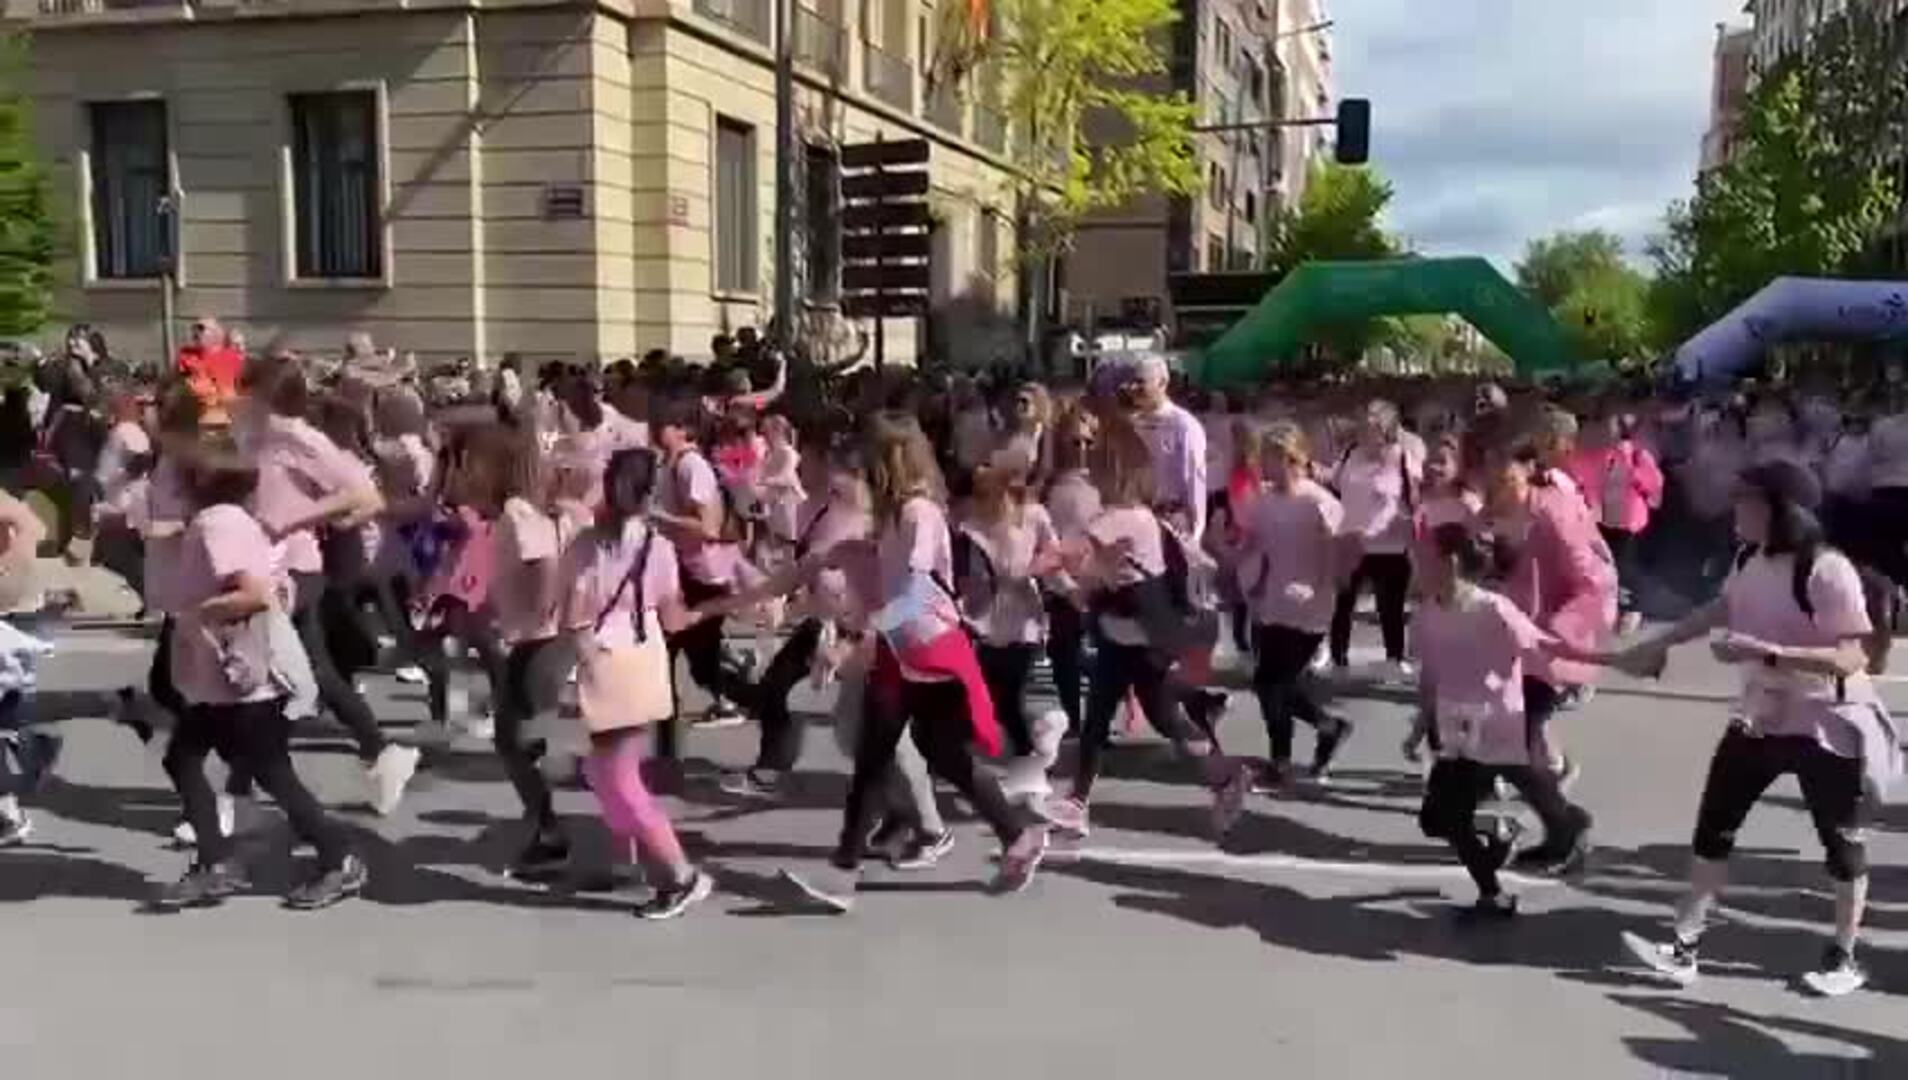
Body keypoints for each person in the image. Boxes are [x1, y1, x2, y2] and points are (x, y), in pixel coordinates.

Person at [1616, 460, 1902, 998]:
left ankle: (1843, 954)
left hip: (1827, 723)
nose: (1735, 509)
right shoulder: (1750, 559)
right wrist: (1662, 643)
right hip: (1762, 717)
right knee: (1714, 829)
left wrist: (1766, 653)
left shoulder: (1826, 569)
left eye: (1746, 499)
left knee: (1841, 845)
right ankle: (1684, 946)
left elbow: (1850, 656)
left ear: (1779, 509)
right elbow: (1723, 608)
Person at [780, 412, 1048, 912]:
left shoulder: (919, 513)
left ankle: (1012, 836)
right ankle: (849, 873)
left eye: (871, 456)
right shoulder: (896, 513)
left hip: (928, 647)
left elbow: (917, 589)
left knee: (917, 755)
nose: (861, 465)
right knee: (895, 755)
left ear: (891, 458)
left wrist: (860, 636)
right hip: (902, 648)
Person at [152, 439, 365, 911]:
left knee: (270, 772)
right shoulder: (229, 520)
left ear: (197, 484)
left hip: (240, 681)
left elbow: (252, 594)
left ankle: (339, 855)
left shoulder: (218, 525)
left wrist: (193, 613)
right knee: (185, 759)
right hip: (223, 681)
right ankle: (216, 861)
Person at [1042, 414, 1241, 840]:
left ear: (1117, 471)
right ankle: (1077, 803)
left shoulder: (1123, 517)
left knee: (1165, 719)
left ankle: (1226, 778)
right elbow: (1095, 567)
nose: (1089, 469)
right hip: (1125, 635)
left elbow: (1062, 556)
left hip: (1142, 639)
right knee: (1098, 720)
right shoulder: (1137, 517)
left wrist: (1037, 554)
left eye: (1096, 462)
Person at [238, 356, 421, 816]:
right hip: (266, 565)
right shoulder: (255, 434)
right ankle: (380, 752)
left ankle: (238, 786)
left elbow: (364, 496)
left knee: (262, 669)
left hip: (294, 570)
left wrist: (296, 519)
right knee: (306, 672)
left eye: (250, 391)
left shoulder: (302, 438)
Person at [1414, 522, 1621, 923]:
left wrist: (1619, 661)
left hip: (1496, 726)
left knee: (1456, 815)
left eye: (1424, 556)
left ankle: (1495, 892)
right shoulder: (1428, 613)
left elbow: (1547, 646)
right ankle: (1512, 834)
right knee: (1436, 820)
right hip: (1456, 732)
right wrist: (1421, 725)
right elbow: (1431, 673)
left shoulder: (1493, 609)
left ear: (1451, 562)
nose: (1417, 563)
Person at [559, 448, 714, 919]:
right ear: (651, 494)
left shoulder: (586, 545)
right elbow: (672, 613)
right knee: (609, 770)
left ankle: (680, 874)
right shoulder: (660, 547)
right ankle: (633, 860)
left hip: (604, 662)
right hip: (645, 659)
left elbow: (573, 614)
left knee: (615, 775)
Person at [1479, 414, 1612, 874]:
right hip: (1502, 641)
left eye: (1507, 474)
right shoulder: (1492, 509)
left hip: (1544, 644)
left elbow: (1592, 581)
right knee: (1507, 741)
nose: (1497, 482)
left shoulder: (1553, 510)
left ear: (1527, 468)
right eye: (1490, 473)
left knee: (1516, 739)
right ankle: (1562, 825)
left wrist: (1555, 633)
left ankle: (1565, 828)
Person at [1233, 421, 1354, 788]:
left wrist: (1319, 588)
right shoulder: (1264, 501)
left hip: (1310, 605)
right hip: (1273, 599)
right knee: (1269, 683)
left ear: (1291, 458)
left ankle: (1281, 762)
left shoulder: (1319, 501)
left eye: (1269, 459)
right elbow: (1254, 545)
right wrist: (1230, 562)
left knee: (1277, 685)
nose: (1263, 467)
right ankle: (1327, 727)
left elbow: (1339, 553)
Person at [955, 442, 1067, 801]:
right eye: (981, 493)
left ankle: (1033, 759)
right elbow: (964, 575)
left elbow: (1054, 554)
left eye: (993, 493)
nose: (988, 501)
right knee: (999, 700)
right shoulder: (970, 526)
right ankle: (1028, 762)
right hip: (986, 622)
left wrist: (1041, 573)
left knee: (1020, 694)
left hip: (1025, 620)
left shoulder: (1033, 516)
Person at [651, 396, 758, 733]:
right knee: (683, 651)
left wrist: (657, 516)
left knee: (690, 652)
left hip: (702, 572)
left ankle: (750, 698)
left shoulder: (691, 467)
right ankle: (668, 717)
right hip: (683, 568)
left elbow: (707, 528)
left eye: (663, 425)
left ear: (684, 430)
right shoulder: (671, 464)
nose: (656, 431)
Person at [1328, 399, 1422, 678]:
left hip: (1389, 545)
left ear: (1386, 429)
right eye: (1363, 426)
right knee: (1342, 604)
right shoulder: (1350, 453)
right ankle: (1338, 659)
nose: (1364, 431)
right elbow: (1335, 486)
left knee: (1389, 607)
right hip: (1350, 541)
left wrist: (1371, 533)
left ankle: (1394, 657)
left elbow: (1405, 501)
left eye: (1371, 427)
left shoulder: (1402, 457)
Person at [1570, 411, 1663, 634]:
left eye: (1609, 426)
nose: (1604, 430)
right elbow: (1579, 474)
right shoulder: (1597, 455)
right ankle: (1608, 607)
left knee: (1626, 566)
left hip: (1628, 522)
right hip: (1602, 520)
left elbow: (1654, 484)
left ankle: (1634, 608)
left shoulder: (1639, 455)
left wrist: (1634, 474)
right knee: (1605, 564)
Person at [176, 317, 246, 424]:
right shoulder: (186, 355)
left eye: (201, 328)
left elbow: (241, 384)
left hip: (224, 413)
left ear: (216, 333)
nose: (196, 332)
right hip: (194, 413)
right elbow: (178, 380)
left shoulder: (231, 356)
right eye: (194, 328)